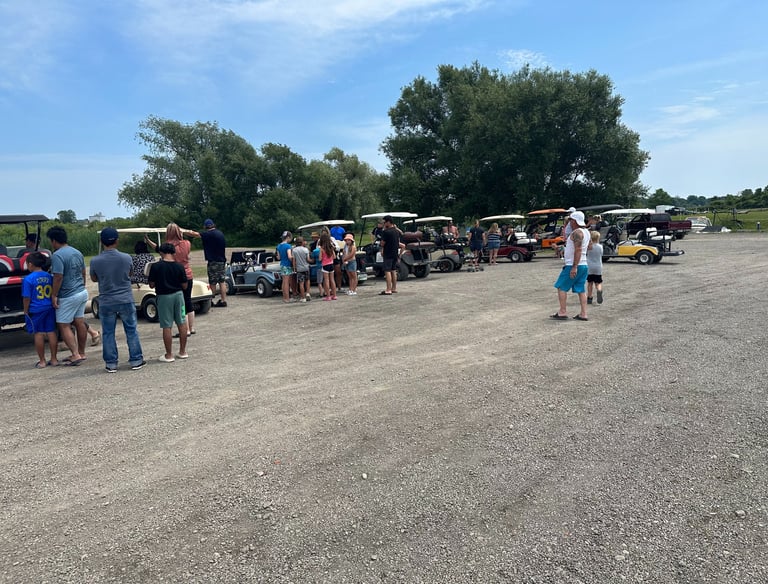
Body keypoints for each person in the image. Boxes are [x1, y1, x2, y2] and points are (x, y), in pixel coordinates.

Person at [89, 227, 146, 372]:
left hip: (107, 300)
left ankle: (111, 363)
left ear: (102, 241)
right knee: (131, 330)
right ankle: (136, 360)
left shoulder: (95, 260)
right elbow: (130, 273)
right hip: (125, 298)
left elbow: (94, 278)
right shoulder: (127, 257)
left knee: (108, 332)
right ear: (117, 241)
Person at [47, 225, 88, 366]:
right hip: (81, 292)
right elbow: (83, 272)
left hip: (68, 295)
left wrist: (54, 295)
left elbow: (58, 277)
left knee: (63, 325)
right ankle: (81, 352)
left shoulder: (57, 255)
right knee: (79, 322)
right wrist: (83, 285)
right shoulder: (77, 252)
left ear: (54, 241)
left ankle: (75, 354)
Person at [145, 223, 196, 336]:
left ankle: (185, 329)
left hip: (174, 275)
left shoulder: (167, 246)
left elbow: (158, 248)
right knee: (188, 301)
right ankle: (191, 328)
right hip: (188, 274)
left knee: (181, 305)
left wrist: (148, 241)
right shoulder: (187, 244)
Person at [147, 243, 189, 362]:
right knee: (181, 323)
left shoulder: (156, 267)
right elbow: (185, 285)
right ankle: (182, 351)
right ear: (173, 252)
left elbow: (151, 284)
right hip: (179, 295)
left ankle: (169, 355)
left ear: (161, 252)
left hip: (164, 296)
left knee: (166, 325)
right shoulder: (179, 266)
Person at [22, 252, 59, 368]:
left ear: (31, 264)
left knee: (38, 333)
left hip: (36, 309)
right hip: (49, 307)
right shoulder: (49, 277)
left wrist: (25, 310)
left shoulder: (28, 279)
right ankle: (54, 359)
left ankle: (42, 361)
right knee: (51, 331)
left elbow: (26, 297)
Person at [551, 211, 590, 321]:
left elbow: (578, 249)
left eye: (570, 220)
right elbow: (589, 246)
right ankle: (583, 313)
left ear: (574, 221)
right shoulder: (587, 232)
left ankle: (562, 311)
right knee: (581, 290)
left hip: (573, 265)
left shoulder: (577, 233)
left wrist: (574, 266)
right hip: (584, 264)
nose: (569, 223)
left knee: (561, 287)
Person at [188, 219, 228, 307]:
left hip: (213, 261)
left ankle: (210, 301)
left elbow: (195, 234)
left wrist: (185, 231)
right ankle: (223, 300)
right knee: (222, 281)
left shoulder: (208, 234)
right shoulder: (220, 233)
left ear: (206, 226)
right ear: (213, 225)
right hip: (222, 260)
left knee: (212, 282)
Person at [379, 215, 404, 295]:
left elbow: (382, 243)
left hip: (388, 253)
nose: (384, 224)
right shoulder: (396, 231)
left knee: (387, 271)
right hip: (395, 253)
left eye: (385, 222)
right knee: (393, 270)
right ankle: (394, 288)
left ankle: (388, 289)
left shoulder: (386, 232)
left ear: (388, 222)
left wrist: (381, 248)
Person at [586, 230, 604, 305]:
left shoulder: (588, 247)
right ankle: (599, 290)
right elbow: (601, 255)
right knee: (598, 282)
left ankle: (589, 297)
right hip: (598, 267)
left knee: (590, 283)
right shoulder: (600, 247)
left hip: (590, 266)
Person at [276, 231, 295, 303]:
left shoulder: (278, 246)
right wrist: (293, 258)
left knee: (284, 282)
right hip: (287, 265)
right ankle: (287, 298)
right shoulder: (288, 246)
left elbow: (279, 257)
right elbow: (289, 256)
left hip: (282, 264)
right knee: (287, 282)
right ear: (288, 238)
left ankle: (284, 297)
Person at [319, 231, 338, 300]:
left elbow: (320, 258)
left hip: (325, 265)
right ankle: (334, 295)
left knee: (326, 281)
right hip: (331, 264)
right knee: (332, 280)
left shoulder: (322, 248)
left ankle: (328, 296)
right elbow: (334, 257)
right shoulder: (331, 247)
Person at [292, 236, 311, 302]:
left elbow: (294, 260)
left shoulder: (294, 250)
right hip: (306, 267)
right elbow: (308, 259)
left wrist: (294, 268)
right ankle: (308, 293)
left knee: (301, 283)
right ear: (302, 242)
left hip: (299, 268)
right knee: (307, 280)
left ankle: (303, 298)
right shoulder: (306, 249)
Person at [309, 231, 324, 298]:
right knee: (326, 280)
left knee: (319, 281)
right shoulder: (325, 249)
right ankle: (327, 292)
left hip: (319, 266)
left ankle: (321, 293)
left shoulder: (315, 251)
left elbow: (312, 258)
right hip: (326, 265)